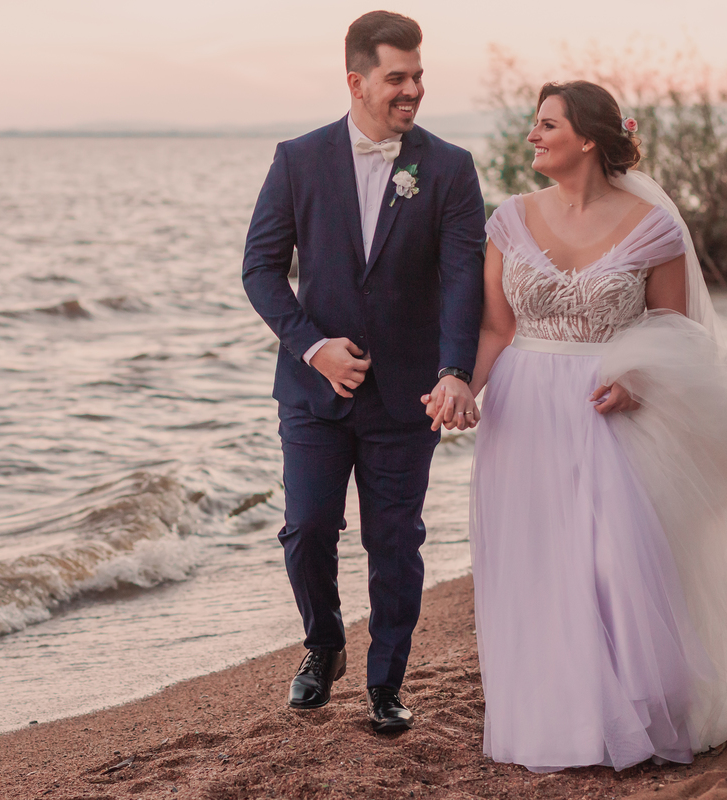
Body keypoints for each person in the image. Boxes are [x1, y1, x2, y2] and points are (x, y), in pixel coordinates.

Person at [454, 80, 727, 770]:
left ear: (587, 137)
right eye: (535, 124)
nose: (533, 135)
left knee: (614, 565)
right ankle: (562, 722)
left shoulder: (655, 229)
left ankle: (639, 710)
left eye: (546, 124)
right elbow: (497, 327)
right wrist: (462, 389)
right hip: (523, 409)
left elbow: (676, 335)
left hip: (606, 409)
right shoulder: (509, 220)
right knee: (540, 563)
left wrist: (635, 382)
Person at [242, 10, 486, 733]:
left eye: (418, 77)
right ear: (356, 81)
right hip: (314, 390)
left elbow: (462, 280)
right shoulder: (298, 159)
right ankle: (323, 645)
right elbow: (259, 270)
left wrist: (454, 371)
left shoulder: (448, 167)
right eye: (396, 78)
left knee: (394, 542)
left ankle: (386, 684)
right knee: (308, 526)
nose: (411, 90)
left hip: (408, 393)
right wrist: (313, 347)